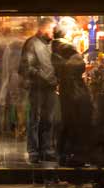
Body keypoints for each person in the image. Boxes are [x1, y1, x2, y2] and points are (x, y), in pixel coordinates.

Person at [52, 27, 92, 166]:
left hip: (68, 92)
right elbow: (78, 64)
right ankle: (72, 156)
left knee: (68, 124)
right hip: (71, 93)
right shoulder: (64, 47)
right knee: (73, 124)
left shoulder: (58, 49)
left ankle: (65, 155)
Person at [19, 17, 57, 163]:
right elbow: (27, 66)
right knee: (34, 119)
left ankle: (46, 149)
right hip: (36, 87)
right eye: (51, 28)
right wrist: (44, 77)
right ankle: (34, 151)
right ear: (43, 28)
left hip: (49, 86)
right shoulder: (32, 43)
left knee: (48, 119)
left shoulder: (51, 44)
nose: (53, 32)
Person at [86, 51, 104, 165]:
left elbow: (93, 80)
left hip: (99, 96)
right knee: (103, 120)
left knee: (98, 120)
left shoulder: (98, 68)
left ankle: (99, 144)